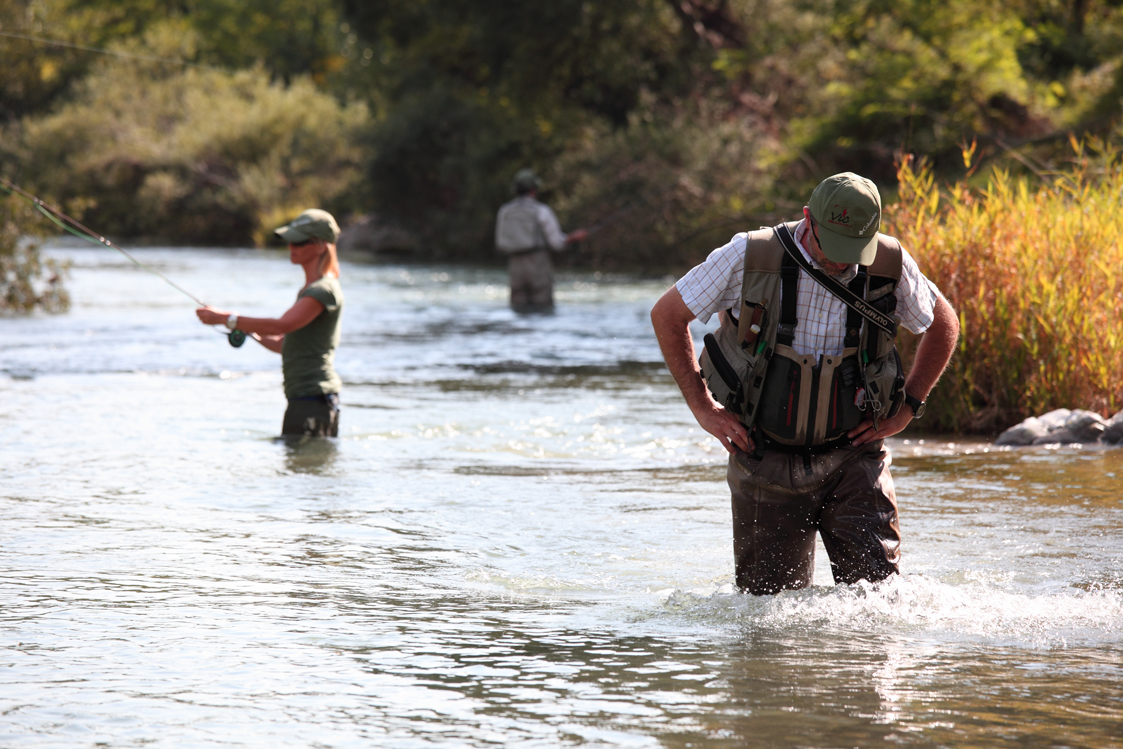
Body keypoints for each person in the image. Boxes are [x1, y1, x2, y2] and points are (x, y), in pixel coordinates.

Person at [650, 173, 959, 595]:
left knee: (880, 608)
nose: (842, 261)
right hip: (763, 460)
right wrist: (704, 408)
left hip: (855, 462)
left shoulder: (890, 261)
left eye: (854, 250)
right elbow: (667, 314)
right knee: (767, 622)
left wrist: (908, 408)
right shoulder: (747, 255)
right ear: (808, 219)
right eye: (832, 246)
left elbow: (943, 324)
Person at [196, 209, 344, 437]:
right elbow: (285, 343)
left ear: (321, 246)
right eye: (290, 242)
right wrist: (248, 330)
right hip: (308, 399)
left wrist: (227, 319)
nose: (291, 247)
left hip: (313, 399)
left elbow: (280, 326)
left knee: (299, 470)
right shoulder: (309, 290)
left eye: (299, 242)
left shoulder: (323, 290)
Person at [495, 168, 588, 312]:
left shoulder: (505, 211)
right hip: (538, 265)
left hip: (515, 266)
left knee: (517, 311)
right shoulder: (541, 211)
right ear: (534, 189)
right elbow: (557, 243)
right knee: (542, 311)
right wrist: (573, 238)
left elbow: (500, 242)